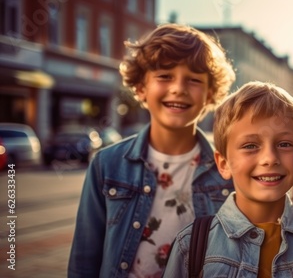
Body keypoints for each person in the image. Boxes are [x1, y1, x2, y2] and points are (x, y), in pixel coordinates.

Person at [68, 23, 236, 278]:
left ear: (210, 93)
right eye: (165, 76)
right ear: (141, 87)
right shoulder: (106, 164)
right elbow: (84, 261)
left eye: (193, 79)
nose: (178, 88)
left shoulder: (229, 170)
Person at [163, 81, 293, 277]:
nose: (270, 158)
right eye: (250, 146)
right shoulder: (191, 246)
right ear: (224, 164)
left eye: (284, 144)